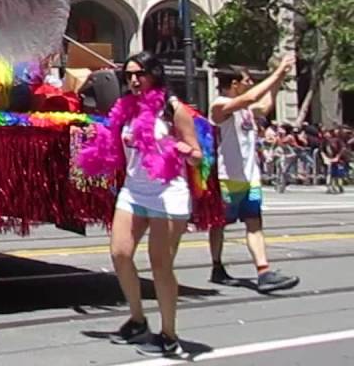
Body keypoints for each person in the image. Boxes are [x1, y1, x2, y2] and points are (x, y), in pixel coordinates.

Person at [102, 52, 203, 357]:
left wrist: (183, 149)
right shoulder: (125, 108)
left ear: (154, 74)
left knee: (160, 266)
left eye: (140, 73)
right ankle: (137, 320)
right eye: (129, 74)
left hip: (167, 194)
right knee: (120, 254)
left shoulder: (174, 110)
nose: (133, 80)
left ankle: (169, 334)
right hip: (134, 191)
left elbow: (198, 154)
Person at [207, 56, 300, 294]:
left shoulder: (246, 111)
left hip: (250, 178)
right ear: (235, 84)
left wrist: (279, 79)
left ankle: (263, 271)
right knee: (219, 224)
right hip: (228, 178)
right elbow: (250, 98)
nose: (250, 83)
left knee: (254, 224)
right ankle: (217, 266)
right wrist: (277, 72)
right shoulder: (219, 105)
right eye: (246, 80)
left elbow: (264, 105)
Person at [322, 125, 348, 194]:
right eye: (324, 133)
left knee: (339, 174)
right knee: (331, 174)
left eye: (327, 133)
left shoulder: (337, 140)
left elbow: (343, 149)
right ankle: (331, 187)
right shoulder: (324, 142)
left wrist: (337, 157)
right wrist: (325, 158)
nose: (325, 135)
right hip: (329, 160)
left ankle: (340, 186)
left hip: (339, 160)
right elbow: (322, 150)